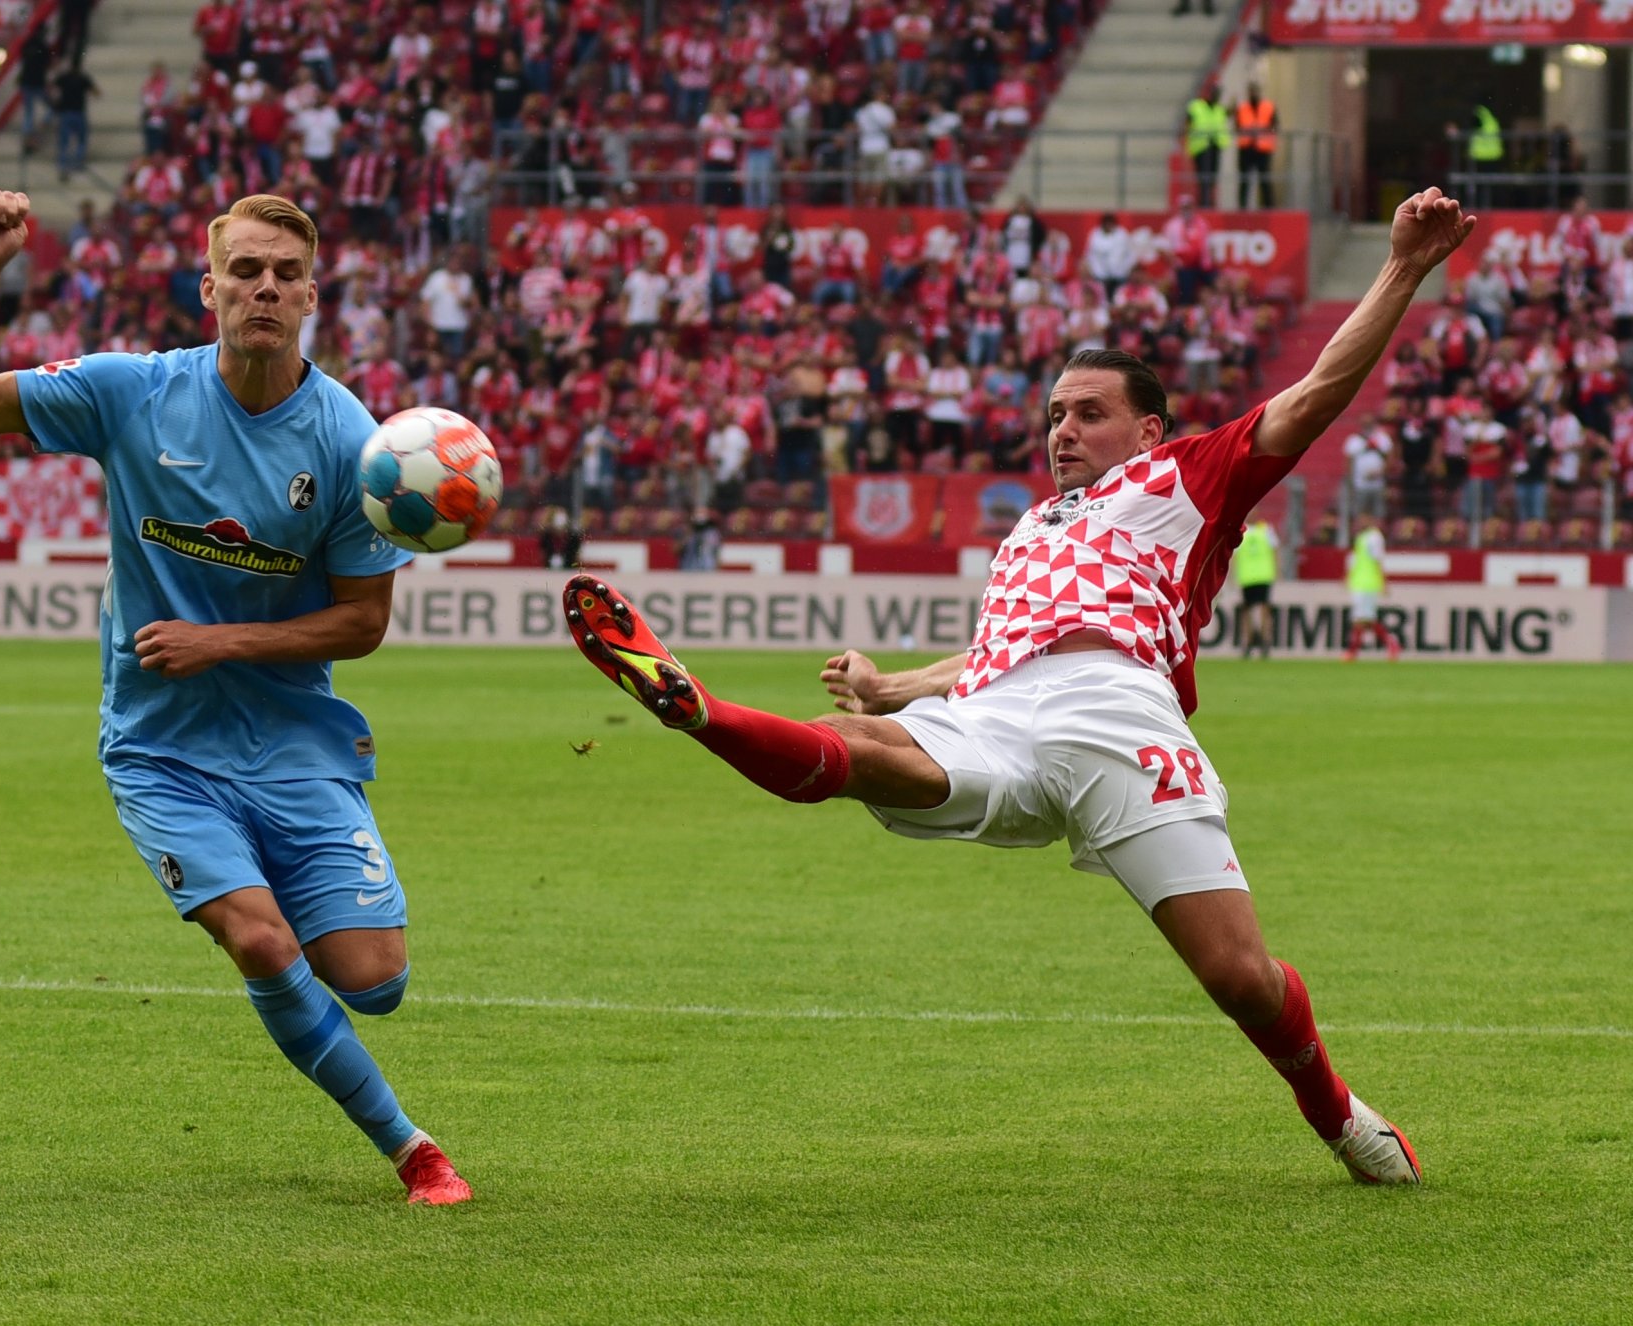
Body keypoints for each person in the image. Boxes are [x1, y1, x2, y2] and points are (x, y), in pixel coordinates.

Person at [562, 187, 1478, 1187]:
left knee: (1236, 976)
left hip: (1119, 711)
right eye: (1053, 415)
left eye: (1089, 413)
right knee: (858, 751)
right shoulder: (1032, 527)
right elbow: (996, 652)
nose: (1063, 431)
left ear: (1148, 429)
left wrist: (1403, 268)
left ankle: (1340, 1117)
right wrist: (886, 686)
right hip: (993, 711)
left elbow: (1316, 394)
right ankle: (696, 709)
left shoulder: (1185, 478)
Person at [0, 188, 473, 1206]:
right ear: (209, 287)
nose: (264, 288)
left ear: (312, 295)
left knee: (374, 980)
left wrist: (222, 641)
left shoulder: (354, 445)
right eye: (245, 271)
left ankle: (287, 910)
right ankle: (413, 1150)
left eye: (284, 275)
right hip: (161, 747)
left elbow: (363, 623)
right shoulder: (133, 392)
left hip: (297, 739)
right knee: (259, 938)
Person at [1343, 512, 1399, 662]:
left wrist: (1383, 582)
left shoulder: (1375, 537)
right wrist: (1349, 577)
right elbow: (1356, 560)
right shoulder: (1362, 537)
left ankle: (1353, 651)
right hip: (1359, 582)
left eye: (1364, 518)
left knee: (1361, 619)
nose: (1360, 521)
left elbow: (1378, 559)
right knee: (1365, 619)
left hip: (1368, 583)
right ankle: (1391, 644)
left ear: (1371, 519)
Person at [1232, 515, 1278, 659]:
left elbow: (1275, 551)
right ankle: (1250, 640)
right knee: (1248, 610)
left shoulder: (1266, 530)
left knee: (1262, 608)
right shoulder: (1241, 530)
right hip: (1247, 577)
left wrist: (1277, 570)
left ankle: (1264, 640)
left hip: (1262, 575)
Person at [1184, 82, 1228, 208]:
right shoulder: (1196, 106)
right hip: (1200, 147)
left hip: (1215, 145)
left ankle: (1209, 202)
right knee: (1204, 177)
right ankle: (1204, 203)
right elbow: (1187, 123)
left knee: (1212, 177)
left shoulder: (1219, 108)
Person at [1234, 83, 1277, 210]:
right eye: (1251, 91)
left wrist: (1261, 130)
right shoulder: (1242, 108)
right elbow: (1237, 126)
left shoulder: (1268, 107)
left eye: (1255, 91)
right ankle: (1242, 208)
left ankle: (1268, 207)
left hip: (1263, 149)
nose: (1253, 94)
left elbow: (1275, 126)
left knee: (1265, 180)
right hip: (1246, 148)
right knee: (1244, 180)